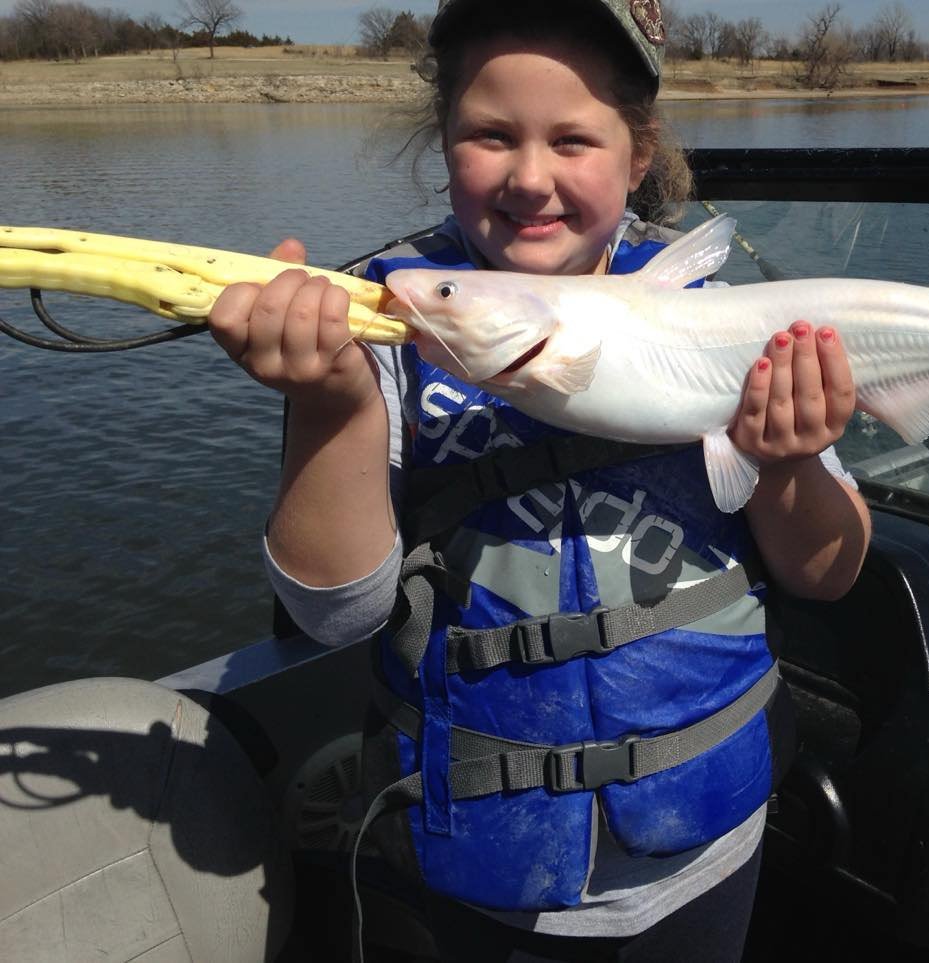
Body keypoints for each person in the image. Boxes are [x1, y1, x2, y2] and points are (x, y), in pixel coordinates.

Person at [208, 0, 871, 959]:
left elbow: (829, 571)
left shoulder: (730, 320)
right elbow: (334, 614)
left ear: (638, 155)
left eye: (572, 139)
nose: (529, 177)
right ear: (443, 141)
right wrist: (331, 407)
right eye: (490, 134)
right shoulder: (385, 326)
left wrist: (791, 458)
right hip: (476, 878)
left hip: (707, 856)